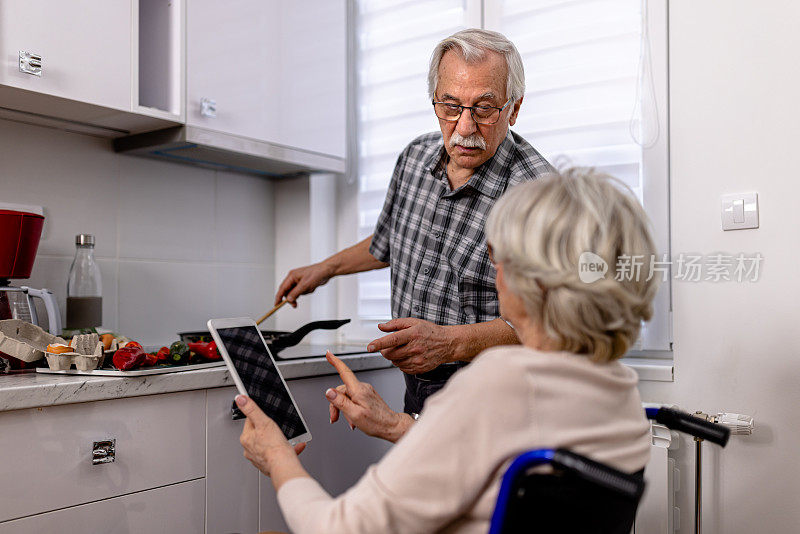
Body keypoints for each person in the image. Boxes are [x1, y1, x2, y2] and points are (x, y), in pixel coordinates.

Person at [238, 168, 659, 533]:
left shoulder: (503, 379)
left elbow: (341, 527)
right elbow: (503, 452)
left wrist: (276, 456)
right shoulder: (620, 388)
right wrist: (392, 424)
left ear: (537, 282)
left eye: (498, 256)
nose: (494, 271)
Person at [274, 29, 554, 413]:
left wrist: (450, 343)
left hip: (498, 398)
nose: (465, 128)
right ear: (434, 100)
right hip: (417, 386)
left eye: (484, 109)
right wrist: (326, 268)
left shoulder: (541, 194)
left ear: (514, 108)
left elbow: (552, 322)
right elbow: (390, 241)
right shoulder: (414, 158)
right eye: (450, 106)